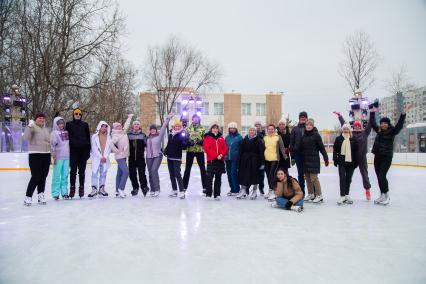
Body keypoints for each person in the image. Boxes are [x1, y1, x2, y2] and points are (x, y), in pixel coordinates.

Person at [370, 104, 410, 205]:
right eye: (382, 123)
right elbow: (372, 122)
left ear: (388, 124)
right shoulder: (379, 130)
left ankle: (387, 195)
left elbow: (399, 125)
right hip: (377, 156)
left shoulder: (392, 131)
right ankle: (382, 194)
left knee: (382, 175)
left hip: (386, 157)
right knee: (378, 176)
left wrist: (403, 113)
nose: (383, 124)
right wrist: (372, 112)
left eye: (385, 123)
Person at [333, 111, 373, 200]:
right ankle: (345, 194)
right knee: (348, 177)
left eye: (359, 126)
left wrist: (372, 113)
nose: (357, 127)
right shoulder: (350, 134)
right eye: (356, 126)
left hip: (362, 158)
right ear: (353, 127)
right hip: (351, 158)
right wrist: (340, 116)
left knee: (364, 175)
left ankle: (367, 190)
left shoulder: (365, 133)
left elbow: (370, 124)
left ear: (362, 127)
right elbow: (345, 125)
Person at [23, 112, 51, 206]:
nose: (41, 120)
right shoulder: (32, 127)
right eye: (39, 118)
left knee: (43, 176)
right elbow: (25, 137)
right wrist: (29, 127)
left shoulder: (46, 129)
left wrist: (50, 154)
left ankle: (40, 195)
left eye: (43, 118)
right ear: (35, 119)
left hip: (46, 154)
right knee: (35, 176)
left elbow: (48, 142)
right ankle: (28, 197)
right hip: (35, 155)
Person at [300, 118, 329, 203]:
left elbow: (322, 148)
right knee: (307, 178)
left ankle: (319, 195)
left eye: (310, 125)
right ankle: (311, 194)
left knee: (314, 178)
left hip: (314, 160)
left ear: (313, 126)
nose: (308, 126)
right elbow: (300, 148)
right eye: (307, 125)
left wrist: (325, 158)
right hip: (305, 160)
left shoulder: (316, 135)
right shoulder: (304, 136)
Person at [146, 113, 173, 197]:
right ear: (150, 130)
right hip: (149, 157)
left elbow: (164, 127)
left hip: (157, 155)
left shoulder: (159, 135)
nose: (153, 130)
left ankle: (157, 189)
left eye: (154, 129)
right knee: (150, 173)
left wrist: (168, 118)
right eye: (151, 129)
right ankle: (152, 189)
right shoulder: (147, 138)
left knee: (154, 170)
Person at [66, 108, 91, 198]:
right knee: (73, 171)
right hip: (73, 152)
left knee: (82, 172)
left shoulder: (85, 125)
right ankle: (72, 188)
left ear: (81, 115)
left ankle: (81, 188)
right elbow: (64, 135)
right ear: (73, 115)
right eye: (76, 113)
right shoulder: (68, 124)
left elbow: (88, 138)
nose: (78, 115)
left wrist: (88, 152)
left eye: (79, 114)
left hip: (83, 152)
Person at [333, 123, 359, 205]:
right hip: (341, 162)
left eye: (347, 129)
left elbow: (356, 152)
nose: (346, 130)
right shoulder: (338, 139)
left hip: (351, 162)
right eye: (344, 129)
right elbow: (335, 150)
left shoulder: (353, 139)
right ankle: (342, 195)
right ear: (342, 130)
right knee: (342, 178)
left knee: (348, 179)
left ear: (349, 130)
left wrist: (356, 162)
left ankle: (347, 194)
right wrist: (335, 160)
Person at [236, 127, 264, 199]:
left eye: (253, 130)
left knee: (254, 175)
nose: (252, 131)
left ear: (255, 132)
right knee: (243, 175)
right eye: (250, 130)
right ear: (248, 131)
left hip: (255, 160)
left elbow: (261, 152)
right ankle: (243, 190)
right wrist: (238, 162)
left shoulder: (259, 140)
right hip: (244, 160)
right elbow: (240, 152)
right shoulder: (244, 140)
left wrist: (262, 163)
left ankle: (254, 191)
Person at [182, 114, 207, 194]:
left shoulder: (202, 128)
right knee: (187, 169)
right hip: (190, 150)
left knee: (202, 169)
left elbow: (205, 139)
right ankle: (184, 187)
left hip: (199, 151)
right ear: (192, 119)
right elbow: (185, 138)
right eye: (194, 118)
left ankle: (205, 187)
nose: (195, 120)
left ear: (199, 119)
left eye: (197, 119)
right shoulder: (188, 128)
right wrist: (188, 142)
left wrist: (202, 142)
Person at [110, 114, 133, 198]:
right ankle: (121, 188)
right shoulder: (115, 135)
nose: (119, 127)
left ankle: (117, 191)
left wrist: (129, 118)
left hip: (124, 156)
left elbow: (126, 125)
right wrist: (117, 151)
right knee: (126, 172)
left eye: (120, 126)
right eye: (117, 127)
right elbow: (111, 144)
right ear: (115, 128)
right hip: (120, 157)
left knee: (119, 173)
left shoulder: (123, 132)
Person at [203, 122, 228, 200]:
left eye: (216, 128)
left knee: (218, 178)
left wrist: (221, 155)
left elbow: (225, 148)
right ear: (211, 129)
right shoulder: (207, 137)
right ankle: (208, 194)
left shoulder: (221, 138)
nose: (215, 129)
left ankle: (217, 194)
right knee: (209, 178)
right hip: (211, 161)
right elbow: (207, 149)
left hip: (219, 161)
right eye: (213, 128)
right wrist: (216, 156)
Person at [263, 124, 287, 201]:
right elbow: (263, 148)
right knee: (268, 175)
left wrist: (285, 157)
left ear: (274, 130)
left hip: (275, 159)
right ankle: (270, 190)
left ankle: (274, 191)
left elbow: (282, 147)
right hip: (266, 159)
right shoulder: (265, 138)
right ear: (267, 130)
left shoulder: (278, 137)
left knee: (272, 175)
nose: (270, 130)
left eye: (272, 129)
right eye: (269, 129)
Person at [88, 121, 112, 198]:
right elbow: (94, 148)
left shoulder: (109, 137)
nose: (104, 128)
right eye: (103, 126)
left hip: (105, 158)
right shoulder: (94, 137)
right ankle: (94, 189)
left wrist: (105, 156)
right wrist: (100, 157)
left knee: (103, 174)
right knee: (94, 173)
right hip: (97, 158)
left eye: (106, 126)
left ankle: (102, 189)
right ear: (99, 127)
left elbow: (109, 148)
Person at [166, 119, 188, 199]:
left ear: (180, 127)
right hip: (169, 157)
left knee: (177, 174)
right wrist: (166, 150)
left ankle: (181, 191)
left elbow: (184, 147)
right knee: (171, 174)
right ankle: (174, 190)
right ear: (174, 127)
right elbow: (169, 144)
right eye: (176, 126)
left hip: (177, 158)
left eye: (179, 126)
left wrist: (185, 140)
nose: (177, 127)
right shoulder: (170, 134)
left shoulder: (182, 135)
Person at [50, 116, 70, 200]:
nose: (61, 125)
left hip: (67, 157)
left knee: (65, 175)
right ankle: (55, 193)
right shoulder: (54, 133)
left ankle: (64, 192)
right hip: (58, 157)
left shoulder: (67, 132)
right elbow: (52, 145)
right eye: (59, 124)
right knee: (56, 176)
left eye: (62, 123)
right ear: (56, 124)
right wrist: (53, 156)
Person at [128, 119, 149, 196]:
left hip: (140, 158)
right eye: (135, 124)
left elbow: (148, 144)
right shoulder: (129, 135)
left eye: (137, 124)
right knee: (132, 174)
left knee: (142, 174)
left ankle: (144, 187)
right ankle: (135, 188)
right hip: (131, 158)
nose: (136, 125)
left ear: (139, 126)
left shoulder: (143, 135)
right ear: (133, 126)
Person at [290, 111, 308, 194]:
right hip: (298, 155)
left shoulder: (310, 128)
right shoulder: (295, 129)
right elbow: (292, 143)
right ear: (299, 118)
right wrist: (292, 157)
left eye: (304, 117)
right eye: (301, 117)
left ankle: (312, 193)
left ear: (306, 118)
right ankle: (302, 191)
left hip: (308, 154)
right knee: (300, 174)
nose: (303, 118)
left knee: (310, 175)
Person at [225, 122, 243, 196]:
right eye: (231, 128)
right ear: (229, 129)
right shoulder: (227, 137)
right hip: (227, 158)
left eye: (233, 128)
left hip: (235, 159)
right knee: (229, 174)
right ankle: (232, 189)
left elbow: (242, 148)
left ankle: (236, 189)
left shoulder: (239, 137)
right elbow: (224, 147)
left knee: (233, 173)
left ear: (236, 129)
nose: (232, 129)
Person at [254, 121, 266, 195]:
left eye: (259, 125)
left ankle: (261, 188)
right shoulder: (252, 134)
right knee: (254, 174)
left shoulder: (264, 135)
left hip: (263, 157)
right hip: (254, 158)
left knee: (262, 174)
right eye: (256, 125)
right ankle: (253, 189)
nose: (257, 126)